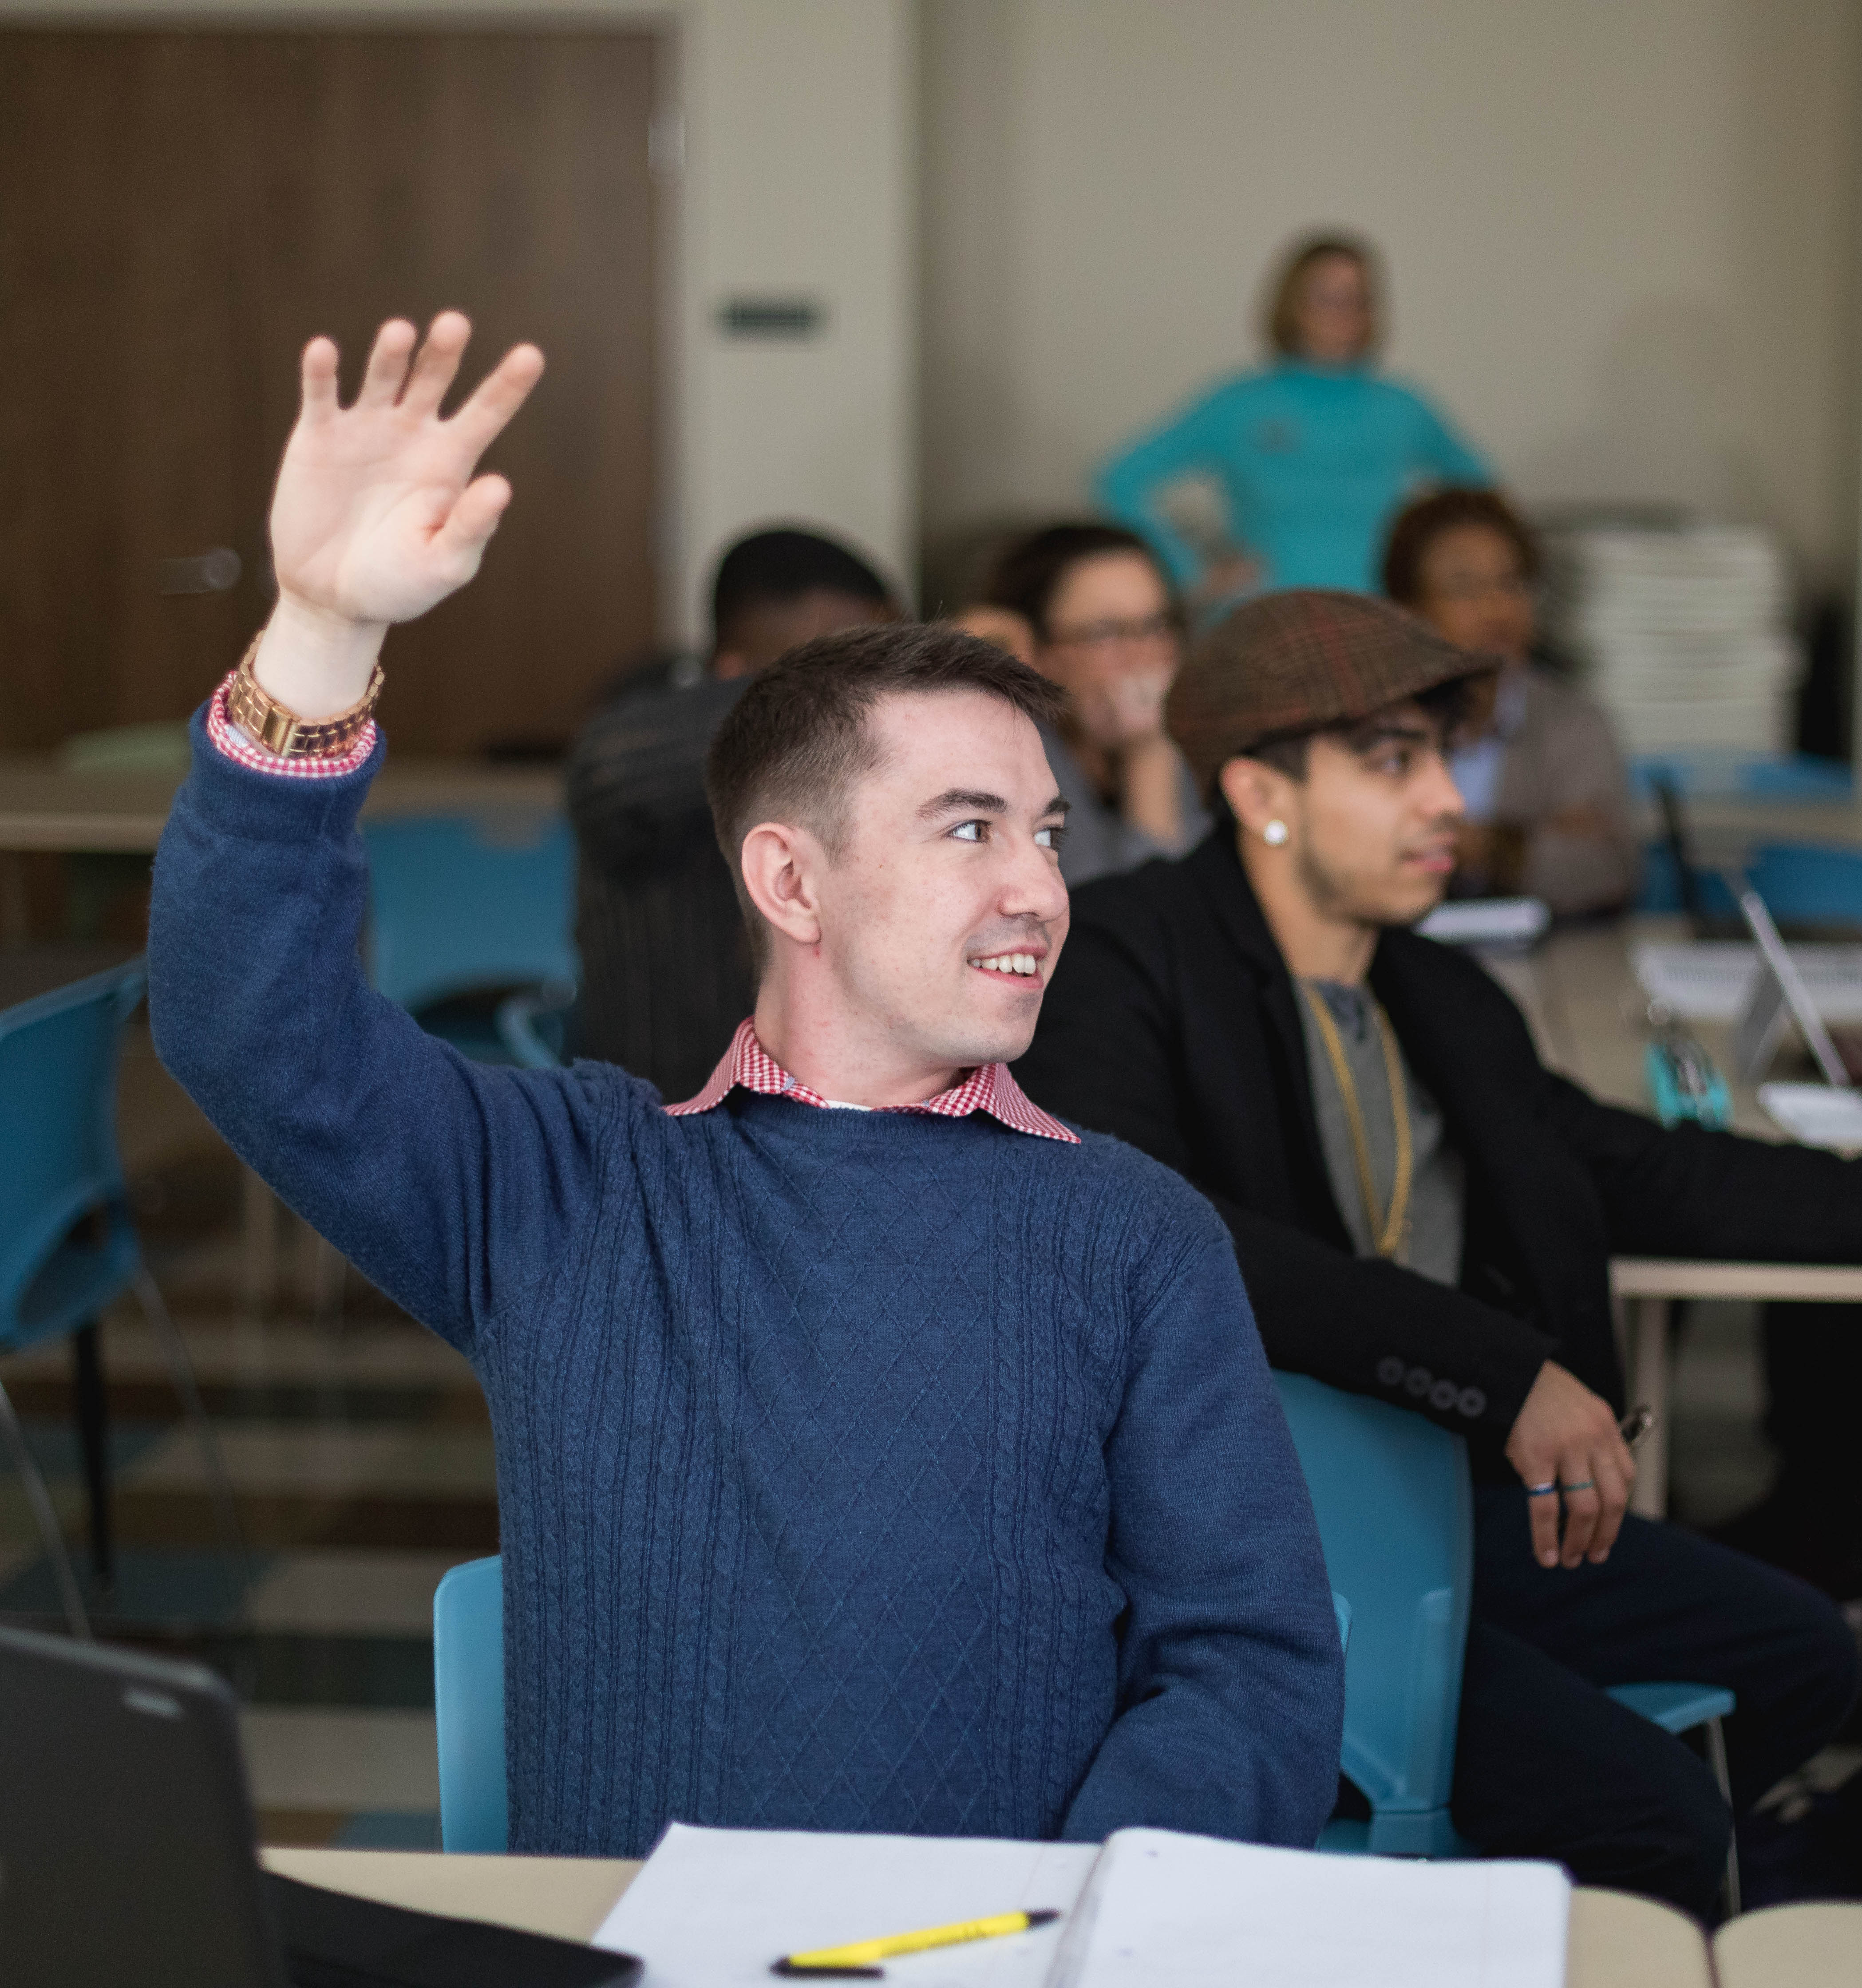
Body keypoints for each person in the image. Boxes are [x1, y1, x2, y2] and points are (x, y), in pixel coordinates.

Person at [146, 313, 1344, 1859]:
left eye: (1048, 834)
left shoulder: (1133, 1235)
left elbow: (1250, 1673)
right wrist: (317, 630)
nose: (1043, 889)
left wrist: (1077, 1932)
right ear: (792, 878)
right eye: (971, 829)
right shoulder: (572, 1188)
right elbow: (245, 1026)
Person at [1014, 588, 1862, 1918]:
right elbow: (1160, 1225)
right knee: (1651, 1816)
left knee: (1799, 1656)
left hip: (1452, 1515)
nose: (1445, 804)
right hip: (1254, 1544)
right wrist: (1497, 1369)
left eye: (1441, 759)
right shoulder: (1123, 956)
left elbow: (1669, 1175)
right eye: (1390, 760)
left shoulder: (1435, 992)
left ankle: (1473, 1896)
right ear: (1258, 789)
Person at [566, 528, 898, 1096]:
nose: (887, 692)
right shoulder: (646, 744)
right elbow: (608, 772)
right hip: (670, 1129)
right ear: (731, 671)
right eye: (842, 673)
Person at [1096, 233, 1488, 600]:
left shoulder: (1403, 407)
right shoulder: (1240, 404)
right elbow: (1121, 480)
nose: (1344, 312)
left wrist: (1446, 577)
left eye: (1358, 298)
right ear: (1293, 304)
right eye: (1327, 297)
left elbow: (1484, 499)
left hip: (1379, 620)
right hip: (1267, 620)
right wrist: (1189, 572)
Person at [1382, 488, 1639, 917]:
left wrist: (1468, 844)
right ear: (1407, 610)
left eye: (1512, 584)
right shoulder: (1372, 723)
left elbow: (1607, 869)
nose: (1497, 609)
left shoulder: (1573, 720)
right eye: (1465, 588)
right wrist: (1533, 841)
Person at [959, 523, 1206, 886]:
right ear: (1035, 652)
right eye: (1105, 633)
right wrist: (1148, 756)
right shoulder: (1009, 753)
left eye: (1156, 626)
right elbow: (1116, 919)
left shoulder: (1195, 746)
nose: (1143, 657)